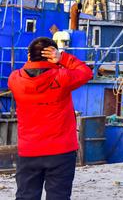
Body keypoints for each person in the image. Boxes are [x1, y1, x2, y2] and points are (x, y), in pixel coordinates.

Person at [9, 37, 92, 200]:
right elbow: (86, 72)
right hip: (61, 151)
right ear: (52, 57)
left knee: (26, 196)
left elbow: (28, 72)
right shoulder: (62, 77)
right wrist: (63, 58)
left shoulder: (15, 79)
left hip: (29, 151)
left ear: (29, 57)